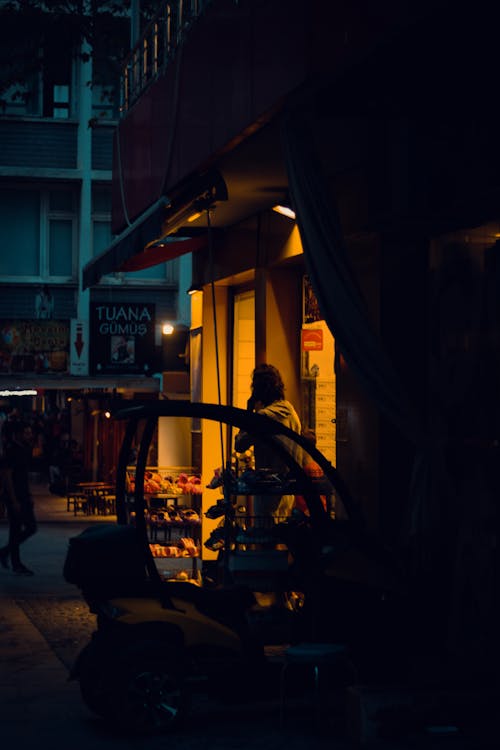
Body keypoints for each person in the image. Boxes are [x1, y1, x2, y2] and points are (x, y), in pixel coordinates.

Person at [234, 363, 302, 524]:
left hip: (268, 490)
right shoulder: (291, 412)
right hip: (287, 491)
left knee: (265, 539)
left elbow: (240, 444)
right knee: (283, 538)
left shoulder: (264, 417)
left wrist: (248, 412)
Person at [0, 421, 37, 575]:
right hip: (16, 496)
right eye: (26, 433)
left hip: (23, 495)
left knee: (18, 530)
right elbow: (6, 475)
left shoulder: (22, 449)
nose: (29, 435)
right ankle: (8, 555)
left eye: (30, 432)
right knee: (30, 527)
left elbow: (22, 476)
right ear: (18, 434)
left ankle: (12, 559)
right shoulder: (12, 450)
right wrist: (13, 499)